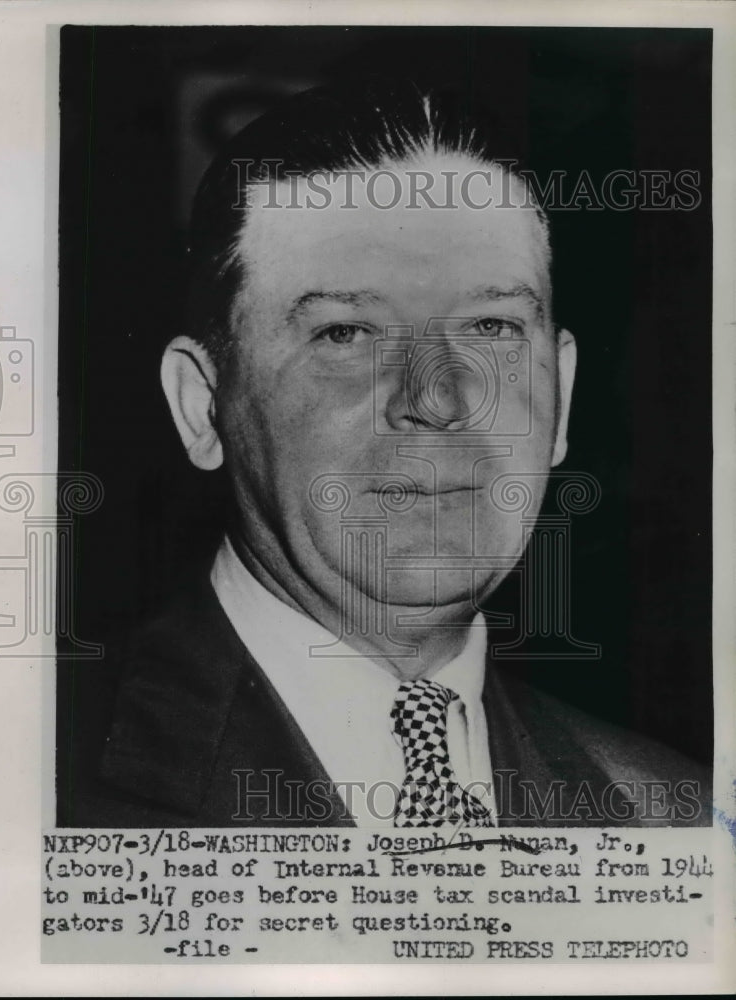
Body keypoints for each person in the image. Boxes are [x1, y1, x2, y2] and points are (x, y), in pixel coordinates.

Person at [61, 79, 710, 828]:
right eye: (347, 334)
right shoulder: (29, 783)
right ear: (200, 405)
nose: (437, 400)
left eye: (492, 328)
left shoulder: (679, 819)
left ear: (560, 391)